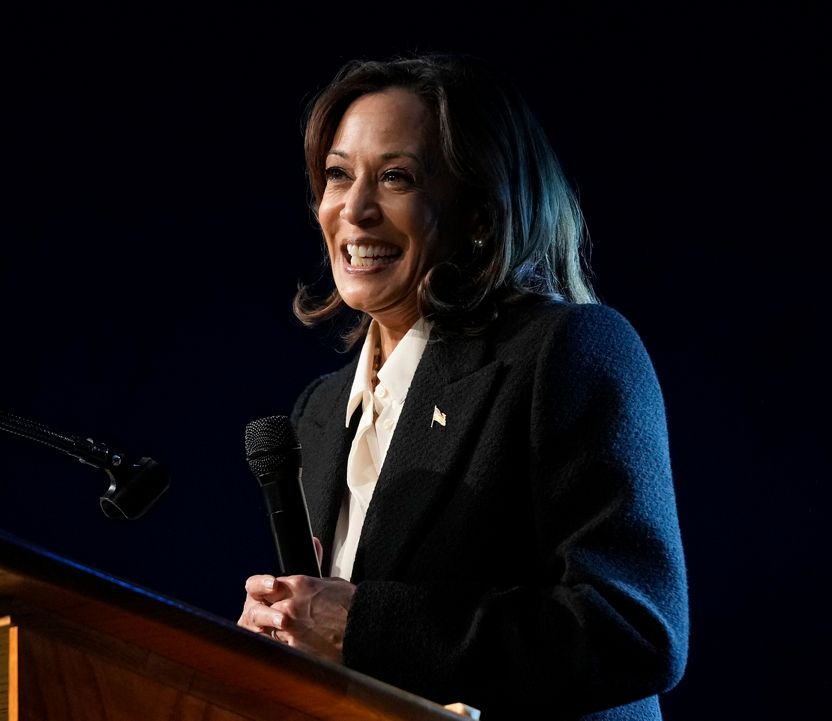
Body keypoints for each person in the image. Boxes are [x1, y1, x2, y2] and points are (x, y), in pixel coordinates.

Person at [237, 53, 689, 720]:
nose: (355, 210)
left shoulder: (567, 351)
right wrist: (282, 634)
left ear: (478, 212)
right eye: (338, 176)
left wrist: (360, 625)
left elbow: (633, 629)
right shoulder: (320, 409)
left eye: (396, 178)